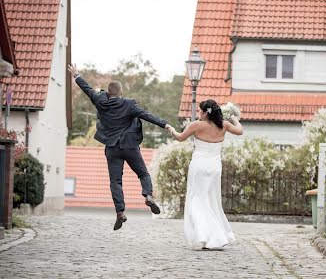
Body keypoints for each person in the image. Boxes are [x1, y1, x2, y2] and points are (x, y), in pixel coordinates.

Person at [68, 64, 171, 230]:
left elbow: (88, 90)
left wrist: (76, 75)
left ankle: (120, 212)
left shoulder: (100, 101)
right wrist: (165, 125)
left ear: (108, 92)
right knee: (143, 173)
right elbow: (147, 115)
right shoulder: (129, 105)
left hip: (112, 148)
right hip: (130, 147)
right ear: (121, 92)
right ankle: (148, 195)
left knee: (115, 181)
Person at [167, 99, 243, 250]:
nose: (199, 114)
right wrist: (235, 119)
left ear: (204, 113)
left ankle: (203, 236)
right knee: (211, 200)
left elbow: (180, 138)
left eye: (200, 111)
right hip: (214, 167)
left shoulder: (196, 125)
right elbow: (240, 130)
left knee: (196, 199)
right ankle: (216, 236)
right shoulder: (224, 125)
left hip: (199, 165)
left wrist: (171, 130)